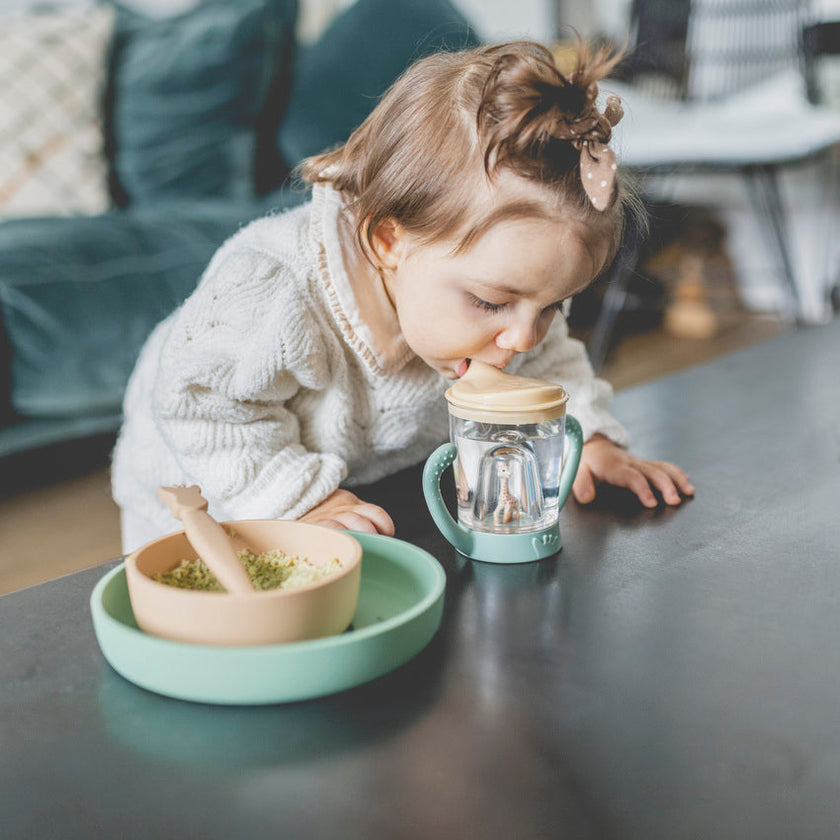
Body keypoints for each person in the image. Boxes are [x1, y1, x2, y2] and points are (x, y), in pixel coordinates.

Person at [112, 40, 694, 553]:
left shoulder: (508, 315)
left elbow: (550, 364)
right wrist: (296, 501)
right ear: (389, 239)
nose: (522, 337)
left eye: (551, 305)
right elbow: (204, 407)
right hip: (198, 484)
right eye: (493, 302)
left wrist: (588, 436)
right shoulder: (273, 291)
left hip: (349, 485)